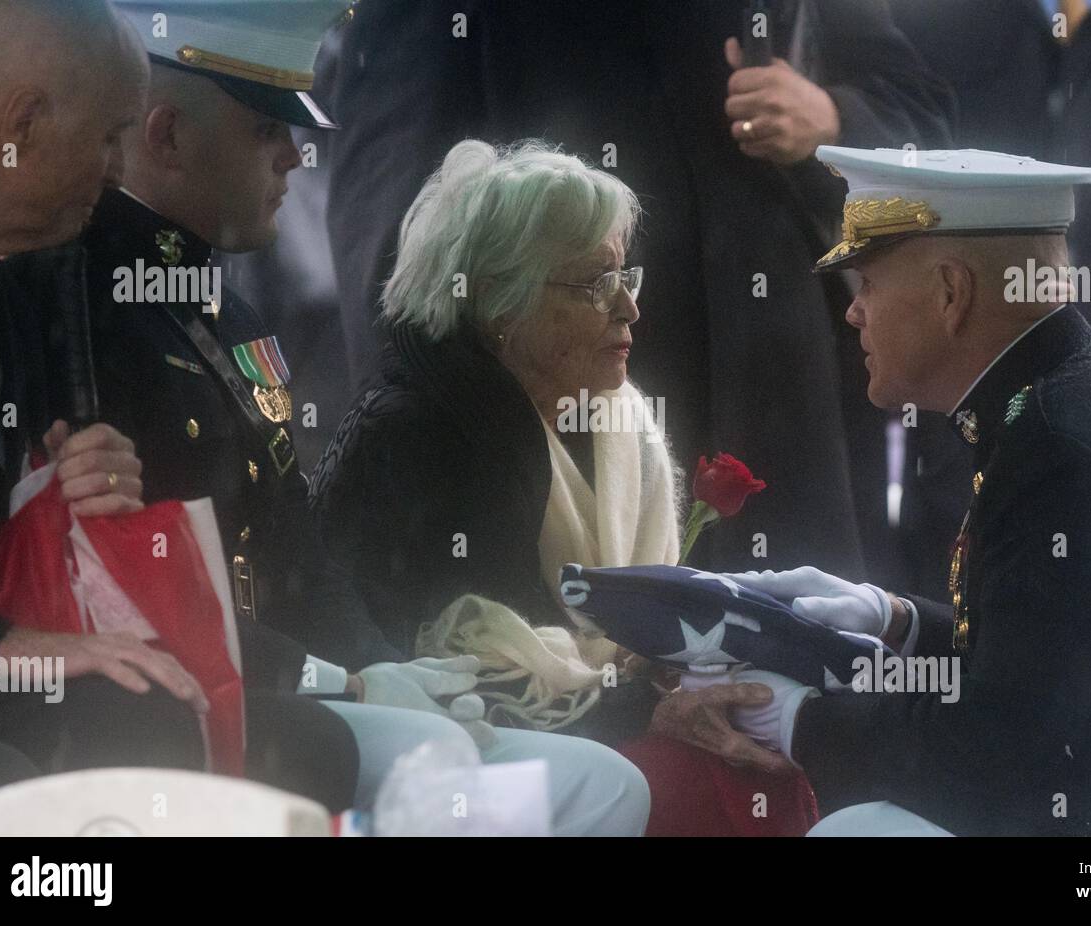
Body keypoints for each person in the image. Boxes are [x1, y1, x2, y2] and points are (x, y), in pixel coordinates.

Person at [2, 2, 647, 832]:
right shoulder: (78, 309)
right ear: (165, 137)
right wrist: (337, 679)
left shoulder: (223, 312)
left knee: (600, 783)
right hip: (177, 708)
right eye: (268, 130)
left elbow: (294, 547)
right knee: (516, 786)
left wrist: (380, 667)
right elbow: (127, 583)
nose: (293, 158)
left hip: (287, 683)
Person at [658, 146, 1091, 836]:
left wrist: (790, 715)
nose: (853, 313)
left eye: (868, 283)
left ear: (951, 293)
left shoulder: (1060, 441)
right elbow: (1054, 660)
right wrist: (895, 620)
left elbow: (993, 754)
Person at [325, 0, 955, 586]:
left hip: (787, 417)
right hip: (555, 428)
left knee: (798, 680)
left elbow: (917, 118)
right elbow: (395, 224)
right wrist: (431, 427)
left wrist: (833, 120)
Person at [310, 139, 818, 835]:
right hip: (423, 758)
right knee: (696, 783)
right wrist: (647, 702)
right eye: (594, 285)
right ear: (498, 299)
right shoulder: (426, 433)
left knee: (761, 739)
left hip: (572, 712)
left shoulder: (608, 413)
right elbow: (458, 673)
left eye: (625, 276)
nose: (630, 310)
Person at [0, 0, 210, 795]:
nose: (116, 170)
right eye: (108, 136)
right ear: (25, 121)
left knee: (159, 702)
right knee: (127, 716)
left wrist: (63, 487)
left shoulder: (16, 272)